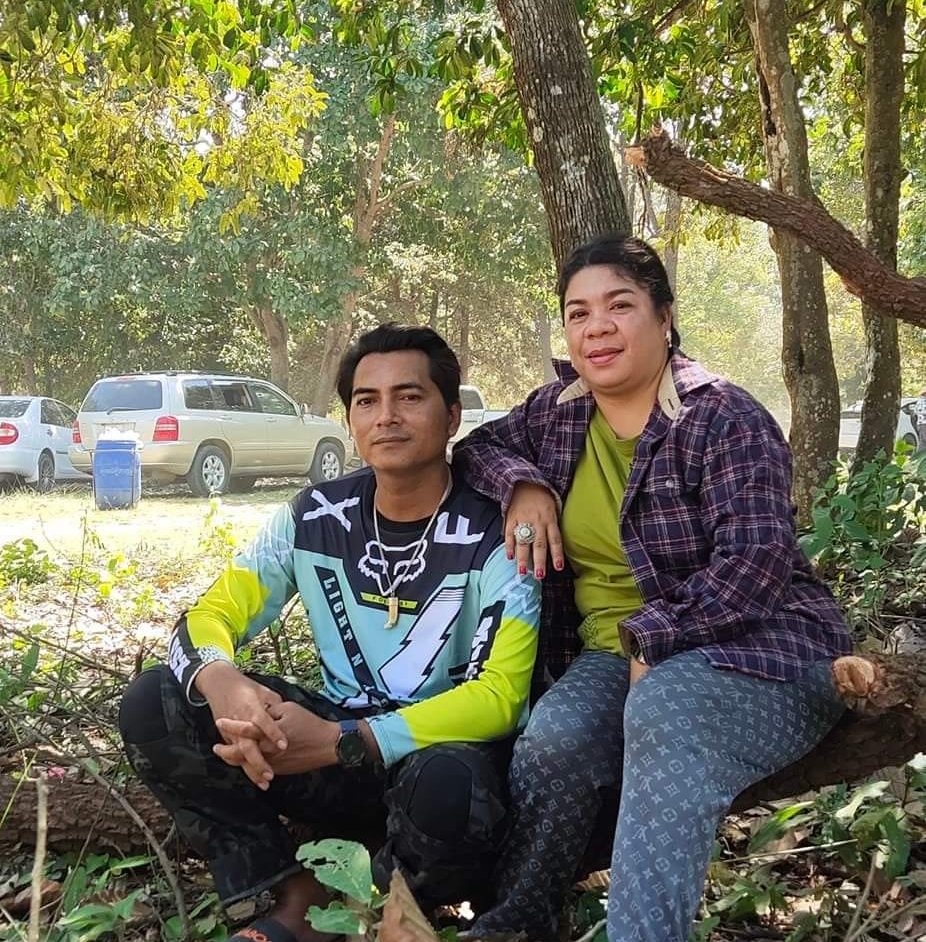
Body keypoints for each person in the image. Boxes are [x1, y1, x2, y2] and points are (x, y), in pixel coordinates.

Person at [453, 234, 852, 942]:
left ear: (664, 316)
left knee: (665, 706)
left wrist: (653, 635)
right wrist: (524, 485)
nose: (597, 328)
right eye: (578, 313)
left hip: (760, 647)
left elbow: (756, 565)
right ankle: (518, 922)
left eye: (620, 306)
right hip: (614, 653)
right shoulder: (557, 412)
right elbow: (477, 448)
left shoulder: (723, 417)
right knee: (554, 742)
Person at [119, 324, 540, 942]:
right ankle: (287, 893)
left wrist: (347, 740)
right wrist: (223, 680)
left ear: (452, 416)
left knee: (450, 786)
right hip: (328, 751)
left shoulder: (501, 532)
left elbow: (501, 697)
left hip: (437, 757)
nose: (386, 416)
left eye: (410, 396)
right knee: (155, 699)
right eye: (367, 400)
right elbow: (207, 617)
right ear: (350, 420)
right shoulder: (313, 516)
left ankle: (368, 908)